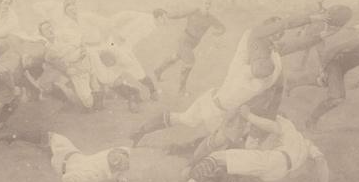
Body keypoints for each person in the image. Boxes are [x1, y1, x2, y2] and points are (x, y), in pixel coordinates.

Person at [131, 13, 330, 147]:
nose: (278, 37)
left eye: (279, 35)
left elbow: (294, 45)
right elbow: (277, 37)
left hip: (217, 103)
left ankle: (144, 133)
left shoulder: (271, 52)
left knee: (189, 123)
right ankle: (141, 132)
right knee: (219, 144)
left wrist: (321, 35)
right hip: (217, 110)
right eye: (275, 33)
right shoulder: (250, 46)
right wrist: (311, 17)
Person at [170, 105, 336, 182]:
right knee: (240, 162)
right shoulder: (306, 143)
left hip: (272, 162)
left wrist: (249, 116)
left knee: (216, 157)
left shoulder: (283, 123)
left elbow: (273, 126)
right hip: (278, 175)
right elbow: (321, 161)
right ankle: (222, 175)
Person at [285, 28, 359, 131]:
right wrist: (323, 69)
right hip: (334, 62)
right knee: (337, 98)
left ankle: (293, 82)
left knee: (322, 82)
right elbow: (335, 49)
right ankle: (311, 121)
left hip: (341, 70)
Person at [0, 131, 130, 182]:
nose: (115, 155)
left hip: (60, 162)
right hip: (71, 154)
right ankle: (15, 136)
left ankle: (18, 137)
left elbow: (67, 178)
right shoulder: (103, 163)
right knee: (51, 137)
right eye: (116, 155)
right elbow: (125, 149)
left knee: (46, 147)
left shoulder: (98, 169)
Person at [153, 0, 226, 96]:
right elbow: (179, 14)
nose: (207, 6)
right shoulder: (194, 11)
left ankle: (158, 71)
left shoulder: (211, 18)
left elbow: (222, 28)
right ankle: (181, 90)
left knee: (176, 57)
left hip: (194, 43)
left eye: (209, 4)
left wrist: (217, 33)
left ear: (210, 6)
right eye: (205, 3)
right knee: (190, 62)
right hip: (185, 39)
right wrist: (167, 15)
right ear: (201, 4)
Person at [103, 8, 168, 101]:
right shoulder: (145, 20)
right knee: (129, 69)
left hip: (123, 47)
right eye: (164, 18)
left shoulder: (150, 23)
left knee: (117, 71)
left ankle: (151, 91)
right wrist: (119, 34)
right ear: (158, 17)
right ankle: (152, 92)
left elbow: (129, 14)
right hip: (116, 45)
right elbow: (127, 16)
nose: (166, 21)